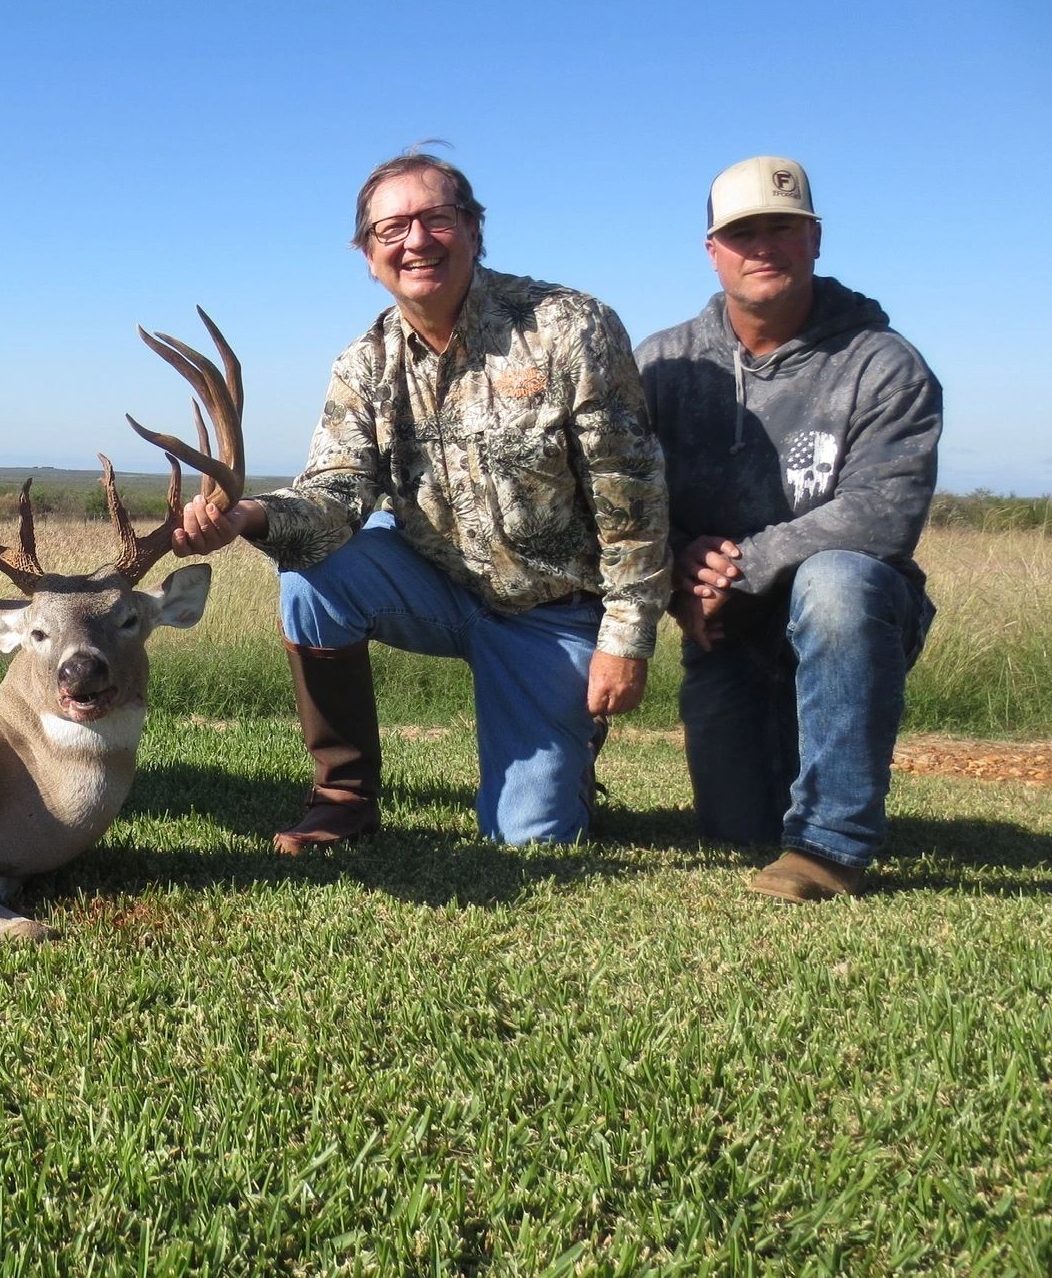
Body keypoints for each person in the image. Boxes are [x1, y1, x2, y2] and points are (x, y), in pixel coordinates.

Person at [174, 151, 669, 851]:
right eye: (392, 228)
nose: (415, 241)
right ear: (366, 252)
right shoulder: (365, 362)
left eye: (436, 219)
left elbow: (632, 497)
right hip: (435, 589)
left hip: (548, 614)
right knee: (313, 577)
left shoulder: (567, 328)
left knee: (529, 841)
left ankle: (567, 756)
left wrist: (625, 639)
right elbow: (337, 492)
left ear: (473, 228)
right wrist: (247, 516)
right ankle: (343, 796)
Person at [637, 157, 941, 901]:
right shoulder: (661, 365)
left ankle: (829, 846)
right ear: (713, 251)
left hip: (851, 608)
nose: (763, 247)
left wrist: (742, 563)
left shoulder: (885, 365)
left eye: (783, 228)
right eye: (743, 233)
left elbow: (882, 512)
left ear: (815, 239)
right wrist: (679, 563)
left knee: (836, 580)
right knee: (734, 829)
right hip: (724, 629)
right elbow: (624, 499)